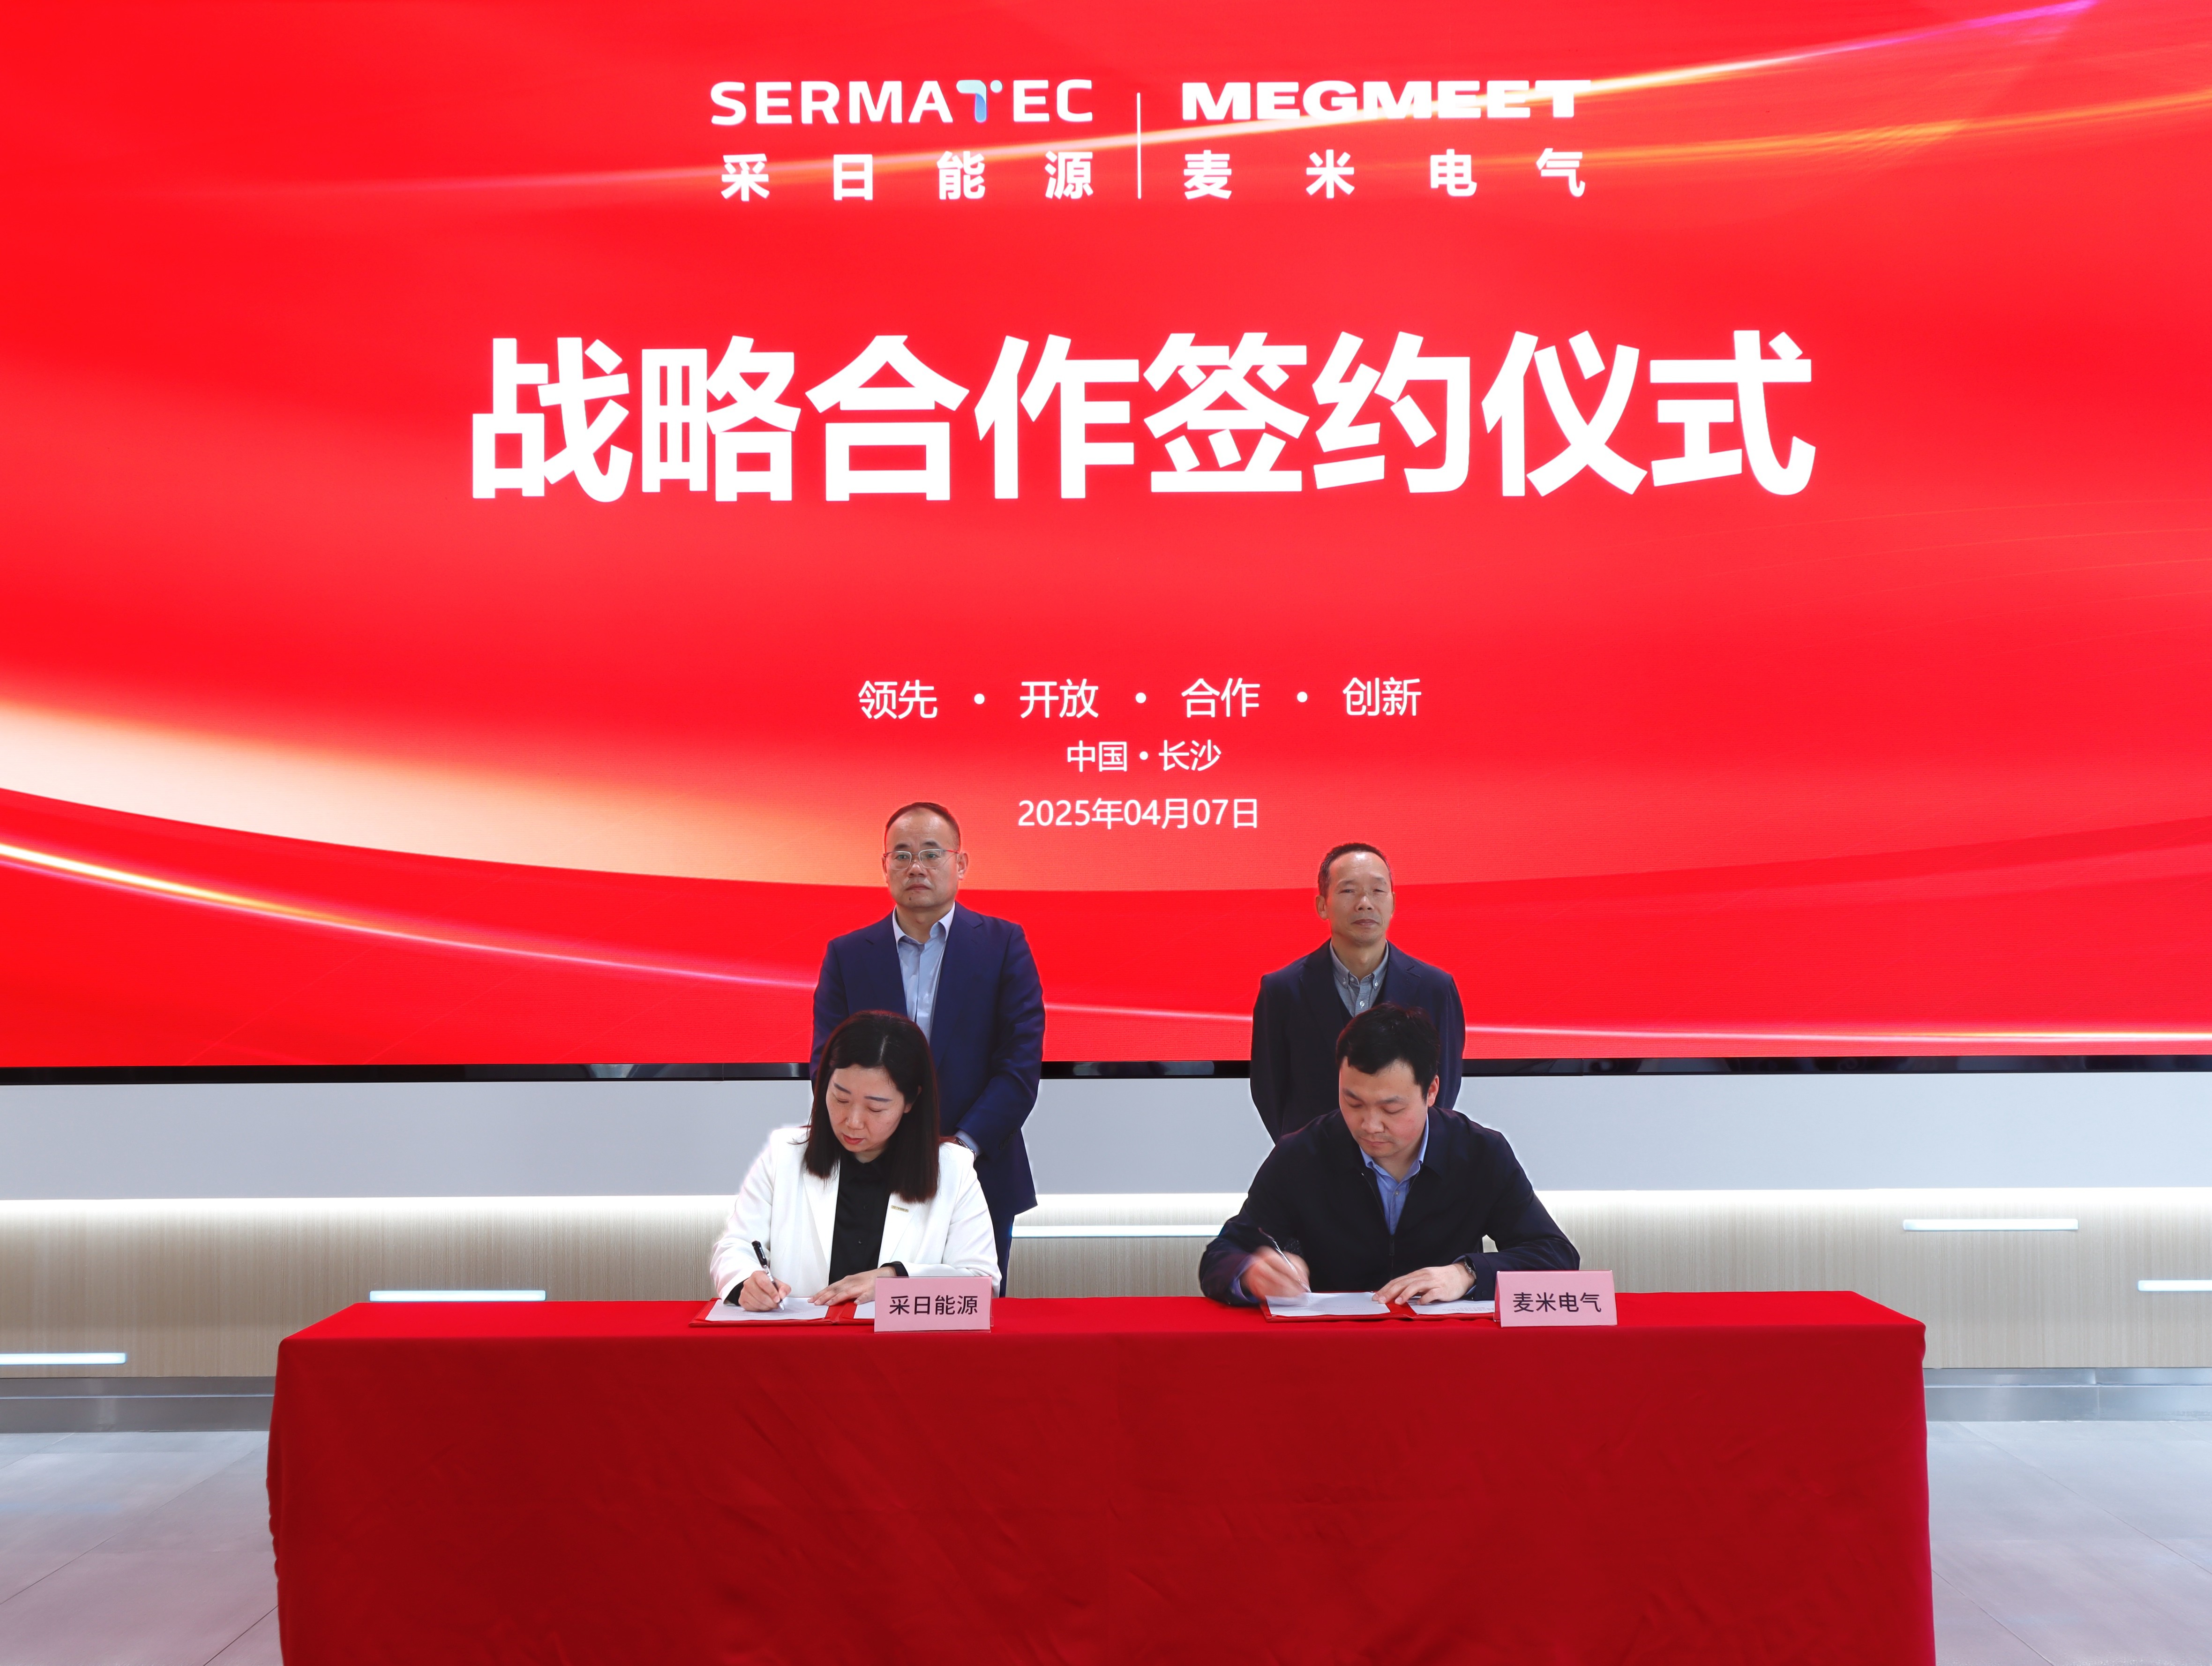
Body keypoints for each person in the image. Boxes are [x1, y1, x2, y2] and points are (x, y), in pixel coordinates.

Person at [1203, 1002, 1575, 1306]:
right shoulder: (1301, 1154)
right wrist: (1250, 1272)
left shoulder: (1479, 1152)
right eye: (1353, 1103)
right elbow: (1223, 1253)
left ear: (1431, 1092)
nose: (1369, 1125)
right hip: (1332, 1348)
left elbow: (1555, 1255)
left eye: (1391, 1109)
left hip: (1445, 1349)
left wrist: (1467, 1273)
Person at [812, 802, 1044, 1288]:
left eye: (931, 854)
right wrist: (875, 1136)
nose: (915, 866)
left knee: (969, 1312)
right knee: (870, 1313)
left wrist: (961, 1148)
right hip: (870, 1171)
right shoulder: (848, 954)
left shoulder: (1003, 944)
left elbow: (1019, 1065)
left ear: (960, 864)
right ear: (885, 867)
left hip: (979, 1170)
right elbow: (826, 1066)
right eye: (901, 855)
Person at [712, 1010, 998, 1307]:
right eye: (841, 1099)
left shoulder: (952, 1169)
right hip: (802, 1334)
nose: (853, 1122)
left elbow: (982, 1284)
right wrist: (747, 1281)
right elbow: (735, 1248)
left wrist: (895, 1278)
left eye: (875, 1109)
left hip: (900, 1337)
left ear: (911, 1101)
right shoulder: (785, 1154)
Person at [1249, 842, 1467, 1141]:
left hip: (1404, 1161)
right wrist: (1302, 1154)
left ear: (1393, 903)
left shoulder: (1436, 989)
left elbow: (1443, 1089)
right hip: (1315, 1160)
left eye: (1377, 890)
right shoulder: (1282, 990)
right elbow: (1269, 1092)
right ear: (1322, 906)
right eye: (1349, 891)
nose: (1365, 903)